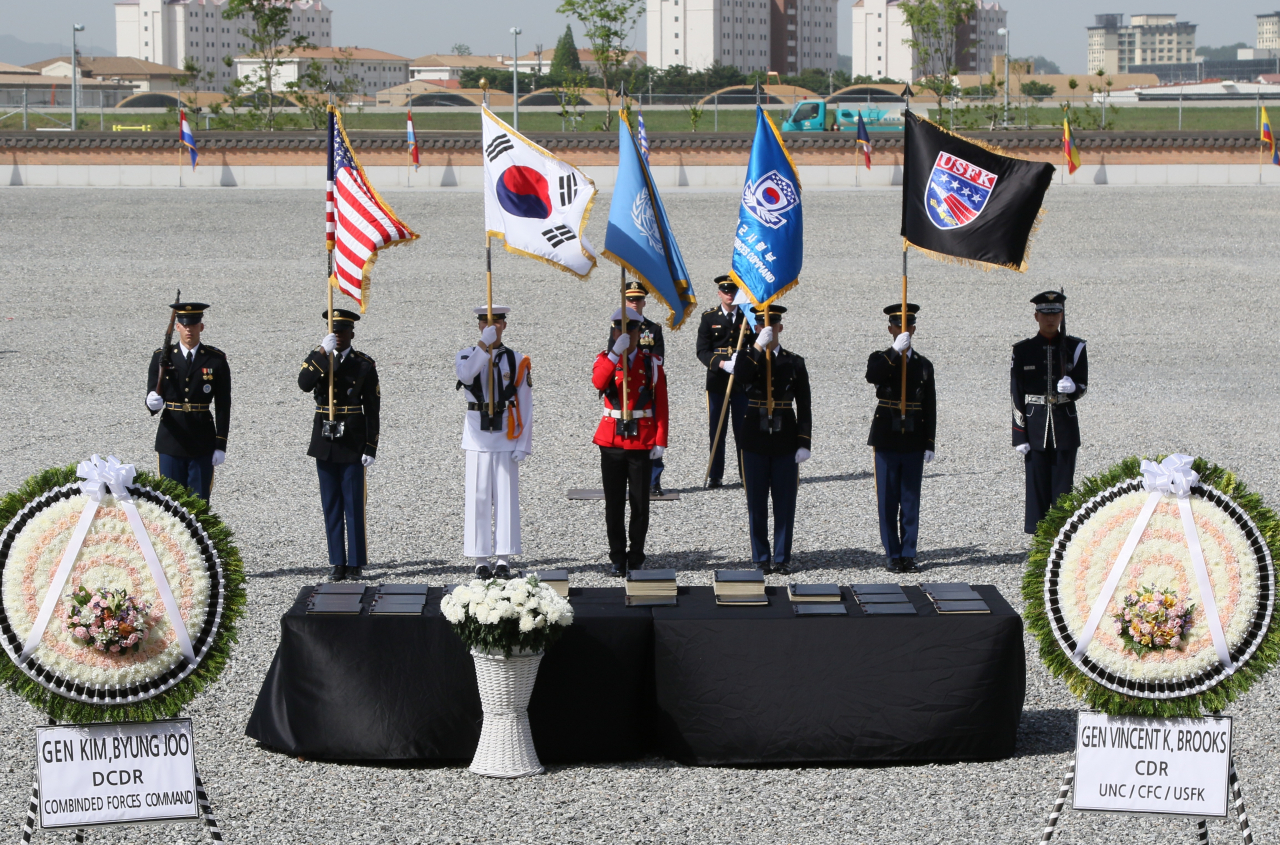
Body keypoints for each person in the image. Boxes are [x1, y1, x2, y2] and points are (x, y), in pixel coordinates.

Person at [298, 309, 380, 581]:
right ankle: (337, 561)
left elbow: (373, 408)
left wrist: (371, 446)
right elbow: (304, 384)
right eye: (334, 331)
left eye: (343, 331)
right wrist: (322, 352)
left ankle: (355, 561)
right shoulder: (320, 358)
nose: (339, 336)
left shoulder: (364, 364)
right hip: (325, 440)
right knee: (331, 504)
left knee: (353, 503)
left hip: (353, 440)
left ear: (352, 334)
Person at [455, 306, 533, 579]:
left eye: (497, 323)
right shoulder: (467, 354)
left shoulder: (517, 359)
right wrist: (483, 346)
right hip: (477, 434)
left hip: (505, 434)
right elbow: (466, 375)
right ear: (479, 326)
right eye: (486, 323)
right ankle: (480, 558)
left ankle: (503, 557)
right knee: (477, 497)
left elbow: (525, 403)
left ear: (504, 325)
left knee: (506, 497)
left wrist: (523, 444)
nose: (492, 327)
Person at [733, 305, 811, 574]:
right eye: (761, 325)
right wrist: (756, 346)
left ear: (780, 326)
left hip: (785, 438)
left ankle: (781, 557)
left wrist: (804, 442)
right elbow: (740, 377)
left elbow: (805, 405)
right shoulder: (747, 356)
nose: (767, 328)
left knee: (784, 501)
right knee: (756, 501)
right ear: (756, 327)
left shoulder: (794, 362)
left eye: (772, 324)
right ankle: (760, 557)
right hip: (754, 437)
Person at [592, 306, 668, 576]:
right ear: (613, 332)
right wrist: (614, 353)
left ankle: (636, 555)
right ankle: (616, 556)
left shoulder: (651, 363)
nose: (625, 334)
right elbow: (598, 382)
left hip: (641, 439)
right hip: (611, 440)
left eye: (631, 329)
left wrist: (661, 440)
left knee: (639, 502)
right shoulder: (605, 359)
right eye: (619, 329)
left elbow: (661, 403)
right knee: (614, 503)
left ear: (639, 332)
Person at [865, 303, 937, 573]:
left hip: (913, 438)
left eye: (907, 326)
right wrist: (895, 351)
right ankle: (892, 553)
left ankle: (909, 552)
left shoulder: (923, 365)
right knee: (887, 498)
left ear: (914, 329)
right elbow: (873, 376)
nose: (902, 330)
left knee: (909, 499)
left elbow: (930, 405)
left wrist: (929, 442)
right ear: (890, 329)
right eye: (898, 326)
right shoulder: (880, 357)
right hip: (886, 437)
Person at [1012, 290, 1087, 534]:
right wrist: (1019, 435)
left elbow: (1083, 384)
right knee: (1036, 489)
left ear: (1062, 315)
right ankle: (1039, 541)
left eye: (1055, 313)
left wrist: (1073, 388)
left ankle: (1062, 538)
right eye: (1045, 313)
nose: (1050, 319)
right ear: (1036, 316)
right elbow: (1016, 393)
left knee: (1063, 488)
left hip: (1064, 425)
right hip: (1035, 426)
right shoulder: (1023, 350)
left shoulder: (1075, 347)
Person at [145, 301, 230, 502]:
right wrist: (151, 402)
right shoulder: (162, 357)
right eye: (184, 325)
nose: (189, 330)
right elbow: (152, 395)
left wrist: (221, 444)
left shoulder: (215, 360)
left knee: (198, 504)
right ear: (177, 327)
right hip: (171, 439)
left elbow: (223, 405)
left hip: (201, 440)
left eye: (193, 325)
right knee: (169, 503)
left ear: (201, 326)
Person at [696, 276, 754, 488]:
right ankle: (715, 474)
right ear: (719, 293)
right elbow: (702, 351)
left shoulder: (748, 316)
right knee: (717, 429)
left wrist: (745, 360)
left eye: (733, 291)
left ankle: (745, 473)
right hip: (718, 382)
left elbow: (756, 347)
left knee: (743, 429)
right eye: (725, 291)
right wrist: (721, 364)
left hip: (741, 383)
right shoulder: (709, 317)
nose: (729, 294)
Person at [620, 281, 667, 496]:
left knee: (652, 432)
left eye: (637, 299)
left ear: (644, 302)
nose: (634, 303)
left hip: (647, 388)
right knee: (623, 434)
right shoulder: (617, 328)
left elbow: (658, 359)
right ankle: (628, 479)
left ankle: (653, 480)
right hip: (625, 390)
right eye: (630, 299)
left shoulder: (653, 329)